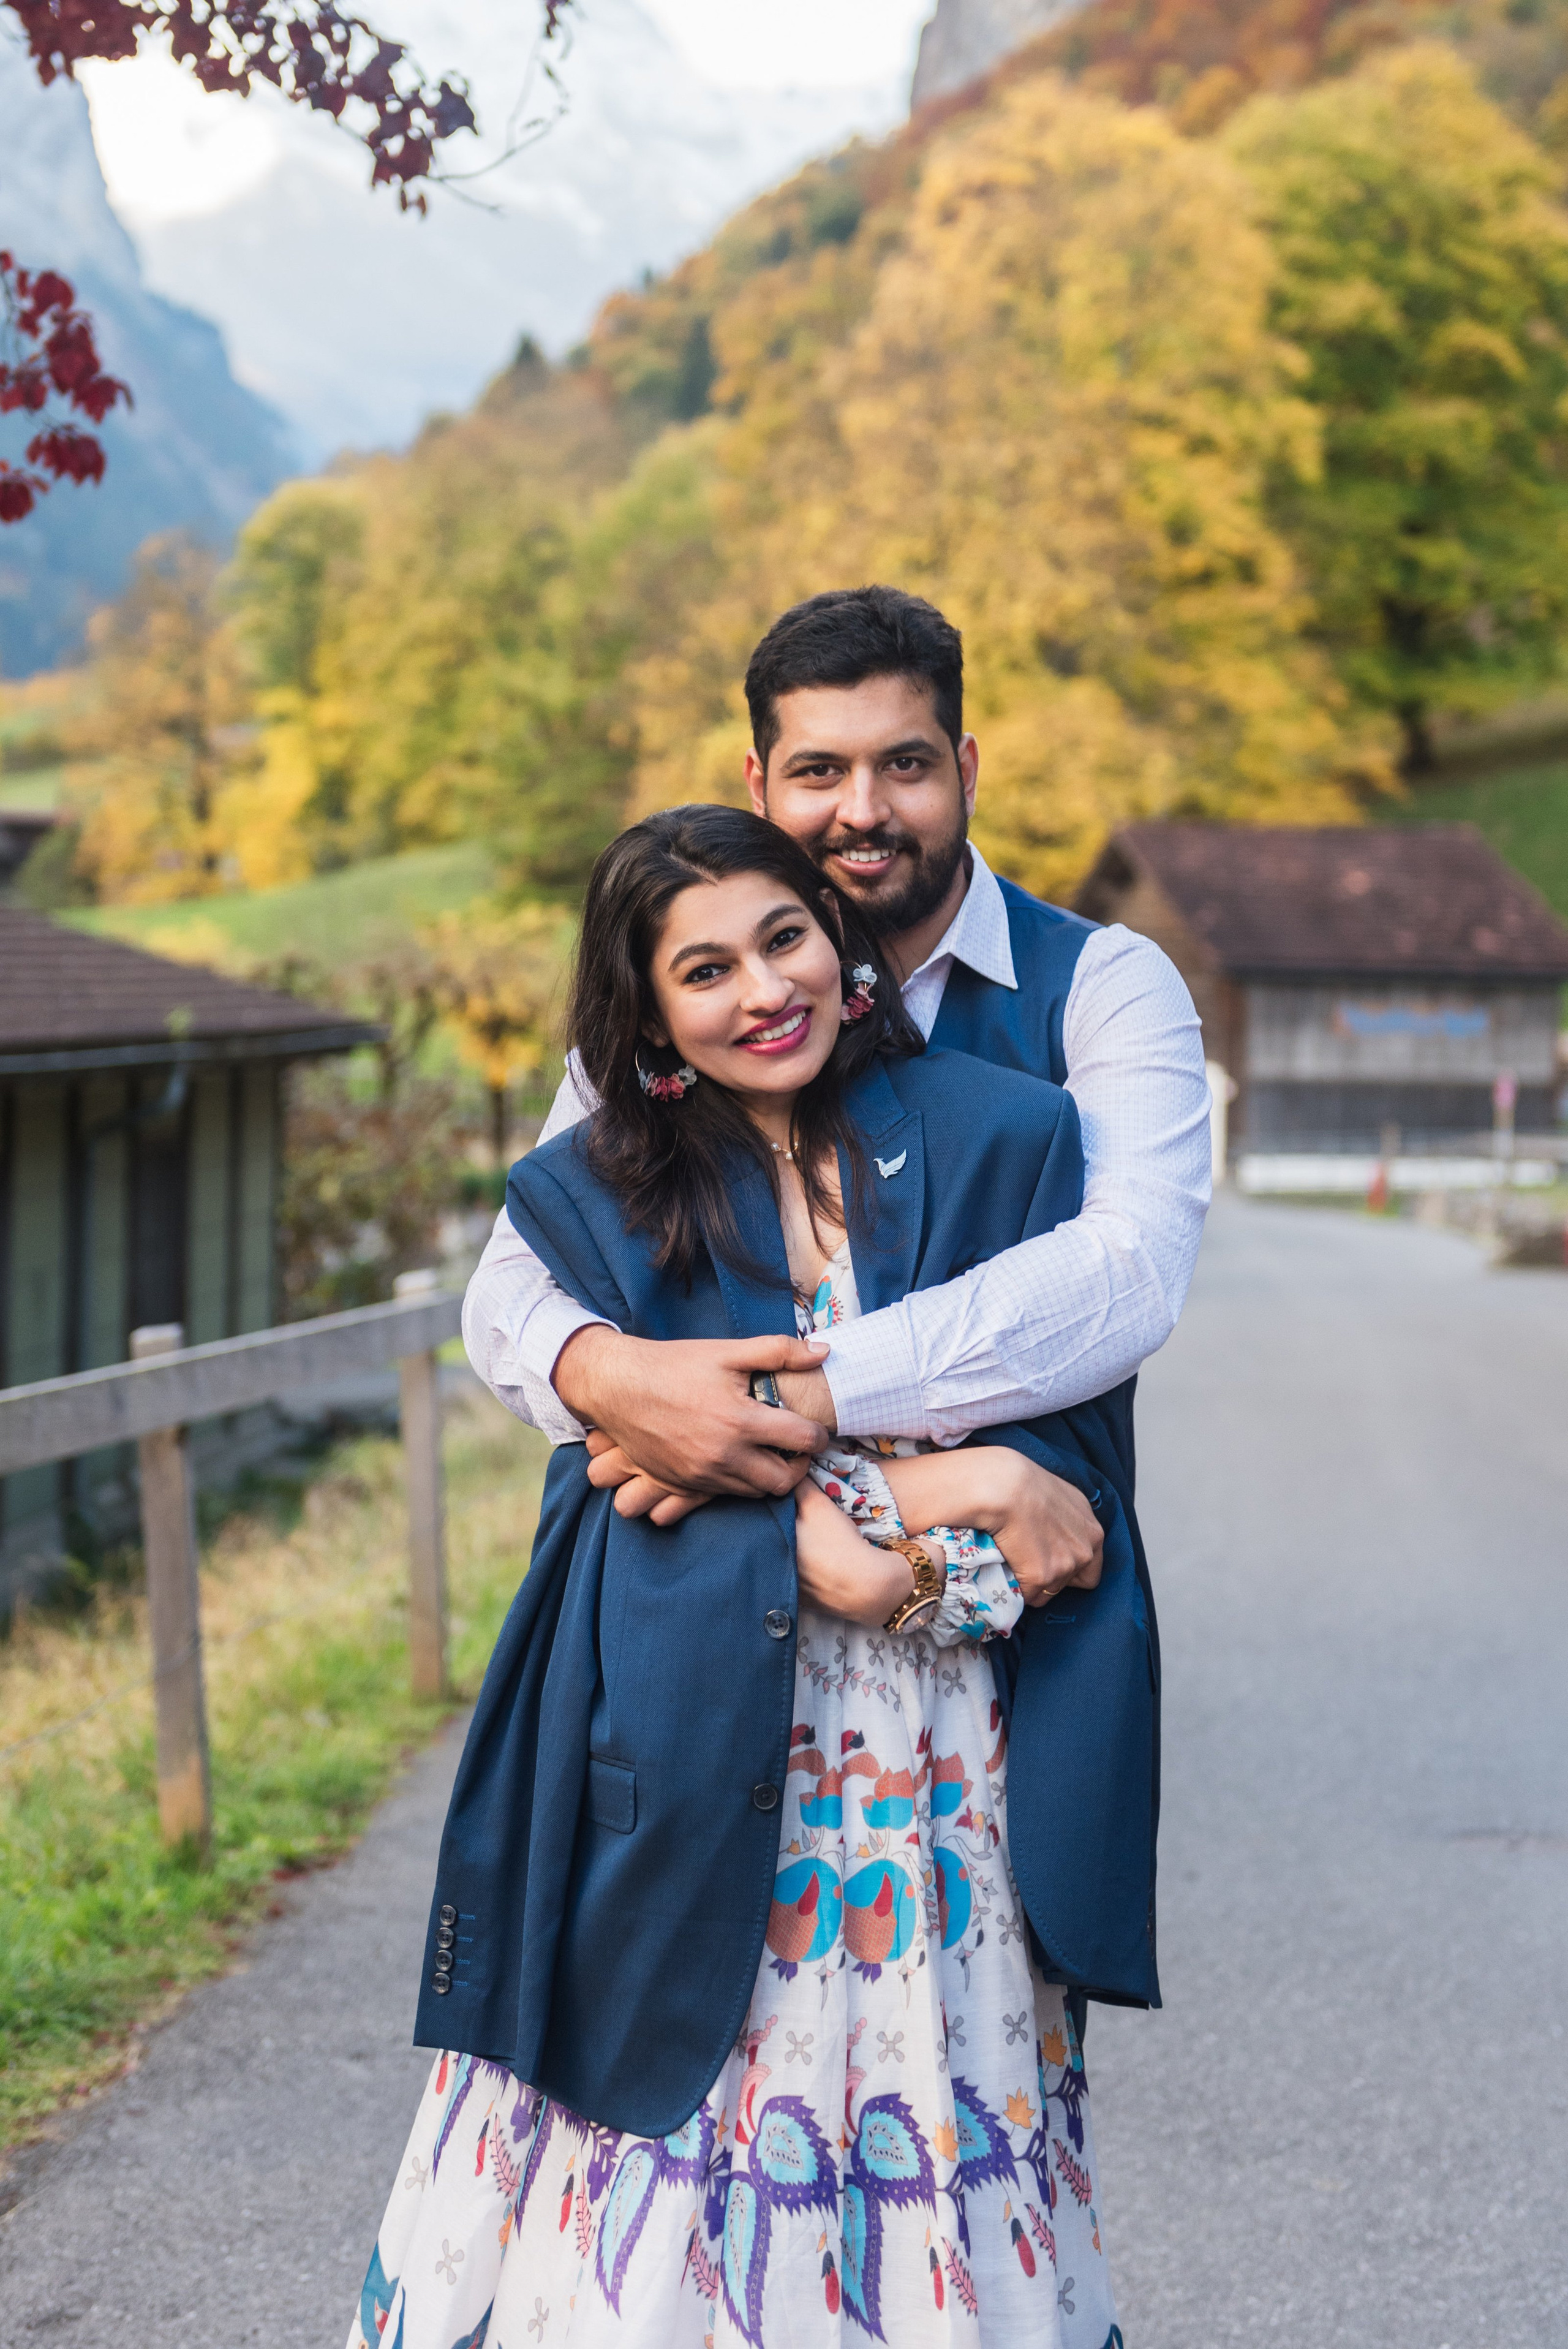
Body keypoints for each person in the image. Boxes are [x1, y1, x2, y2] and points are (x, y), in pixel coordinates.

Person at [350, 806, 1158, 2349]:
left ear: (838, 940)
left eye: (782, 937)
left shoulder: (1009, 1136)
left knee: (922, 2107)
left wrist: (916, 1559)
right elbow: (616, 1488)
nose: (760, 990)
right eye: (702, 969)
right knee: (675, 2119)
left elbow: (1065, 1517)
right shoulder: (593, 1195)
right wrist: (945, 1482)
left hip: (936, 1776)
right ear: (647, 1014)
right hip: (685, 1730)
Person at [464, 585, 1210, 1584]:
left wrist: (781, 1404)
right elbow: (508, 1291)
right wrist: (615, 1378)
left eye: (905, 763)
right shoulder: (673, 1024)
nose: (864, 810)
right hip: (716, 1630)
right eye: (820, 770)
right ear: (759, 786)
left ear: (968, 770)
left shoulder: (1105, 985)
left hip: (1033, 1608)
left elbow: (1129, 1272)